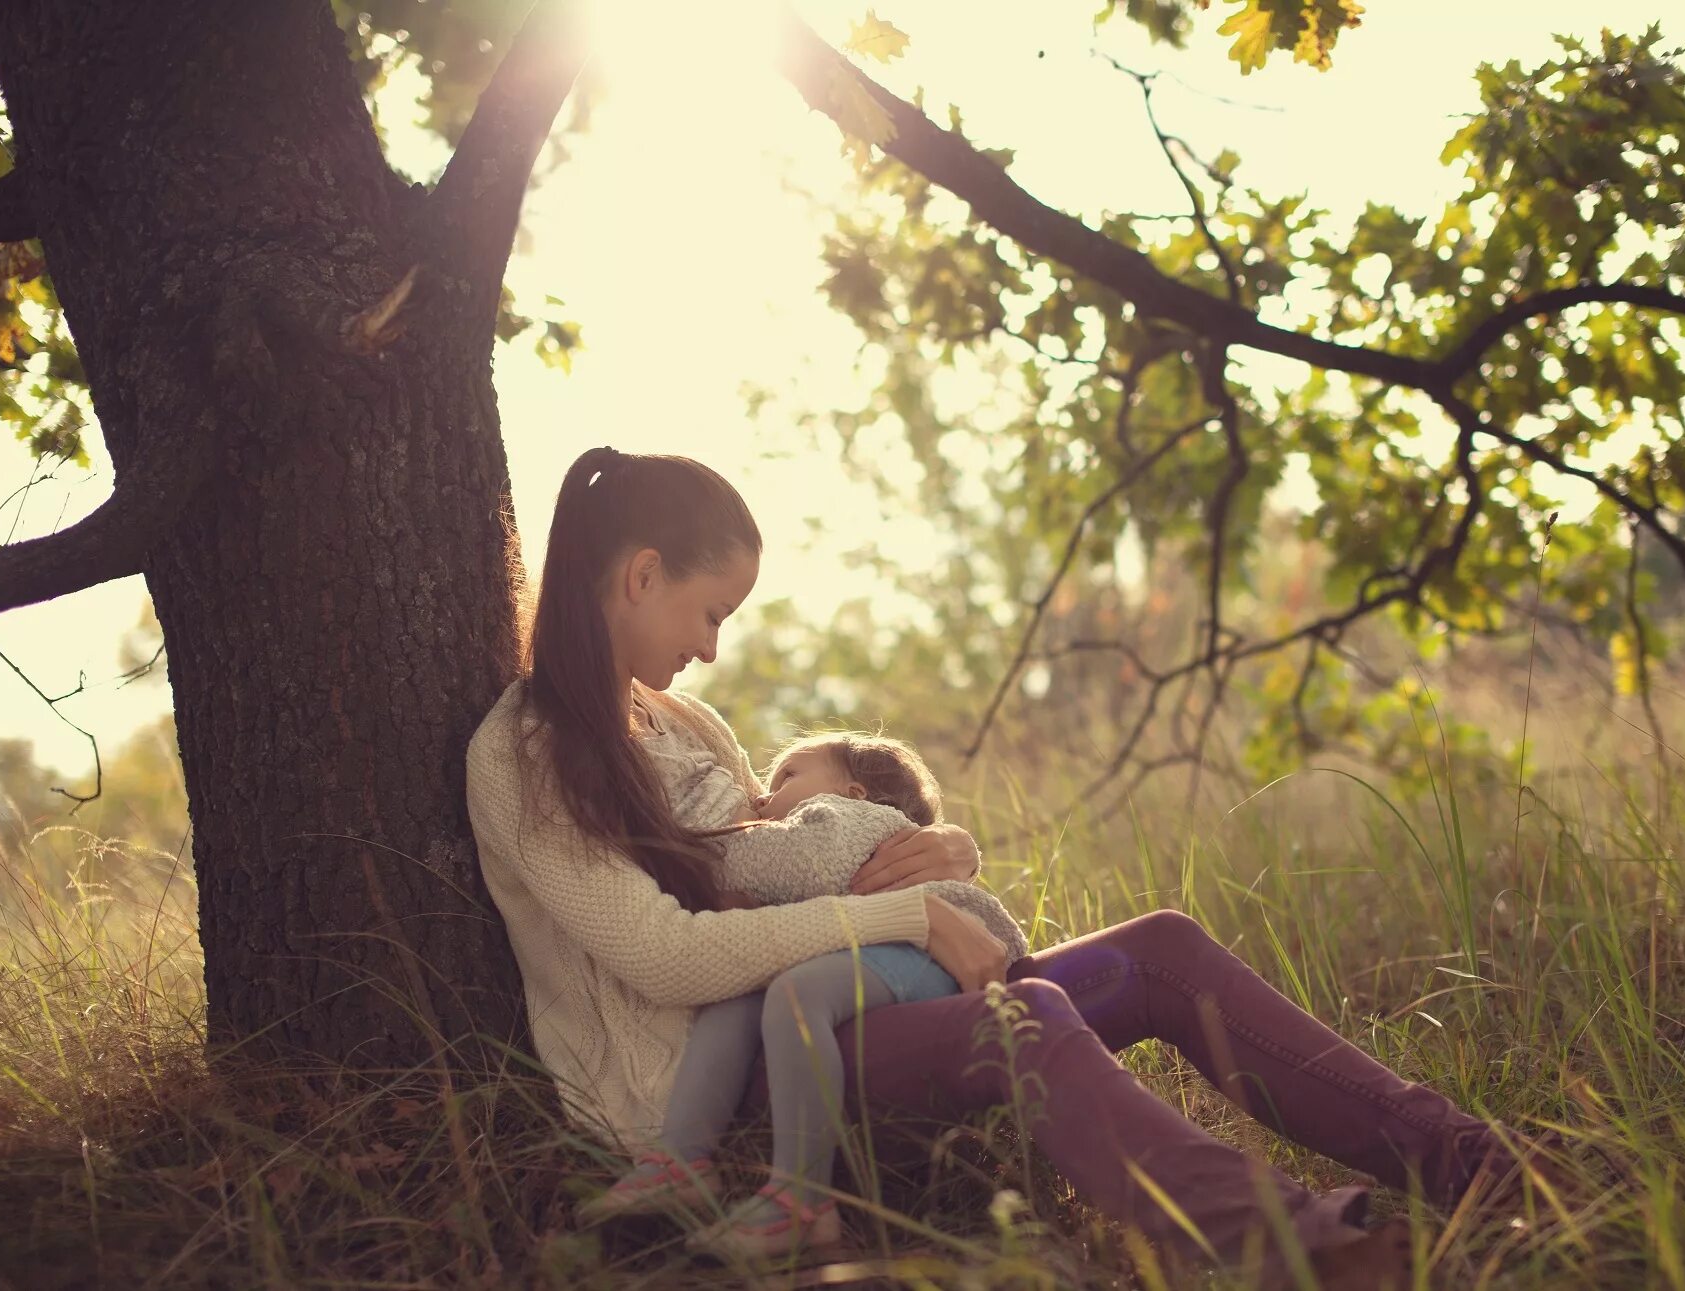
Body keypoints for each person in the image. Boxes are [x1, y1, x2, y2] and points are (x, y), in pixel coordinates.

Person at [465, 448, 1546, 1288]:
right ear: (639, 574)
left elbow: (788, 853)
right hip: (710, 1086)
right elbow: (666, 959)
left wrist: (936, 856)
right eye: (710, 613)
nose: (711, 648)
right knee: (1017, 1020)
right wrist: (909, 923)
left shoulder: (684, 723)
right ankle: (1293, 1245)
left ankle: (1471, 1165)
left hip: (821, 1011)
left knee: (1160, 947)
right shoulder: (525, 751)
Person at [577, 730, 1029, 1258]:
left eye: (788, 775)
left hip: (934, 954)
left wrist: (682, 852)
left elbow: (793, 863)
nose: (763, 799)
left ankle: (804, 1201)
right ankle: (680, 1161)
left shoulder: (853, 821)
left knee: (799, 992)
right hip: (876, 948)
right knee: (736, 994)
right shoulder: (824, 822)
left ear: (856, 792)